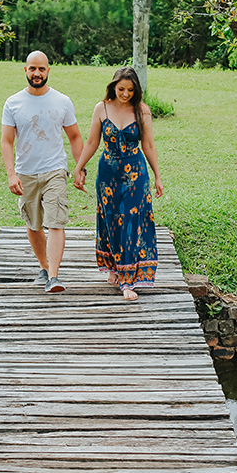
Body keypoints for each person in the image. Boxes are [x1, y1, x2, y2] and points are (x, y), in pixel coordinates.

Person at [73, 66, 163, 301]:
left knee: (132, 222)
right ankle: (113, 267)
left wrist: (157, 176)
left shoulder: (142, 110)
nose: (125, 94)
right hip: (108, 175)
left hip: (135, 174)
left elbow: (149, 145)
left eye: (130, 90)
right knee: (111, 220)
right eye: (121, 88)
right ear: (113, 86)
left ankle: (127, 280)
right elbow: (93, 141)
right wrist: (79, 167)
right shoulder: (101, 108)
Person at [1, 50, 83, 293]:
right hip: (25, 172)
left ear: (49, 71)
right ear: (25, 70)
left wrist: (79, 169)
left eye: (42, 69)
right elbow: (7, 141)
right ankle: (45, 267)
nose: (37, 73)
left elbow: (75, 136)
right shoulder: (12, 103)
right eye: (32, 68)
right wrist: (11, 174)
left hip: (55, 170)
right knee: (34, 225)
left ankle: (54, 277)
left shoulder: (62, 101)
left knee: (56, 222)